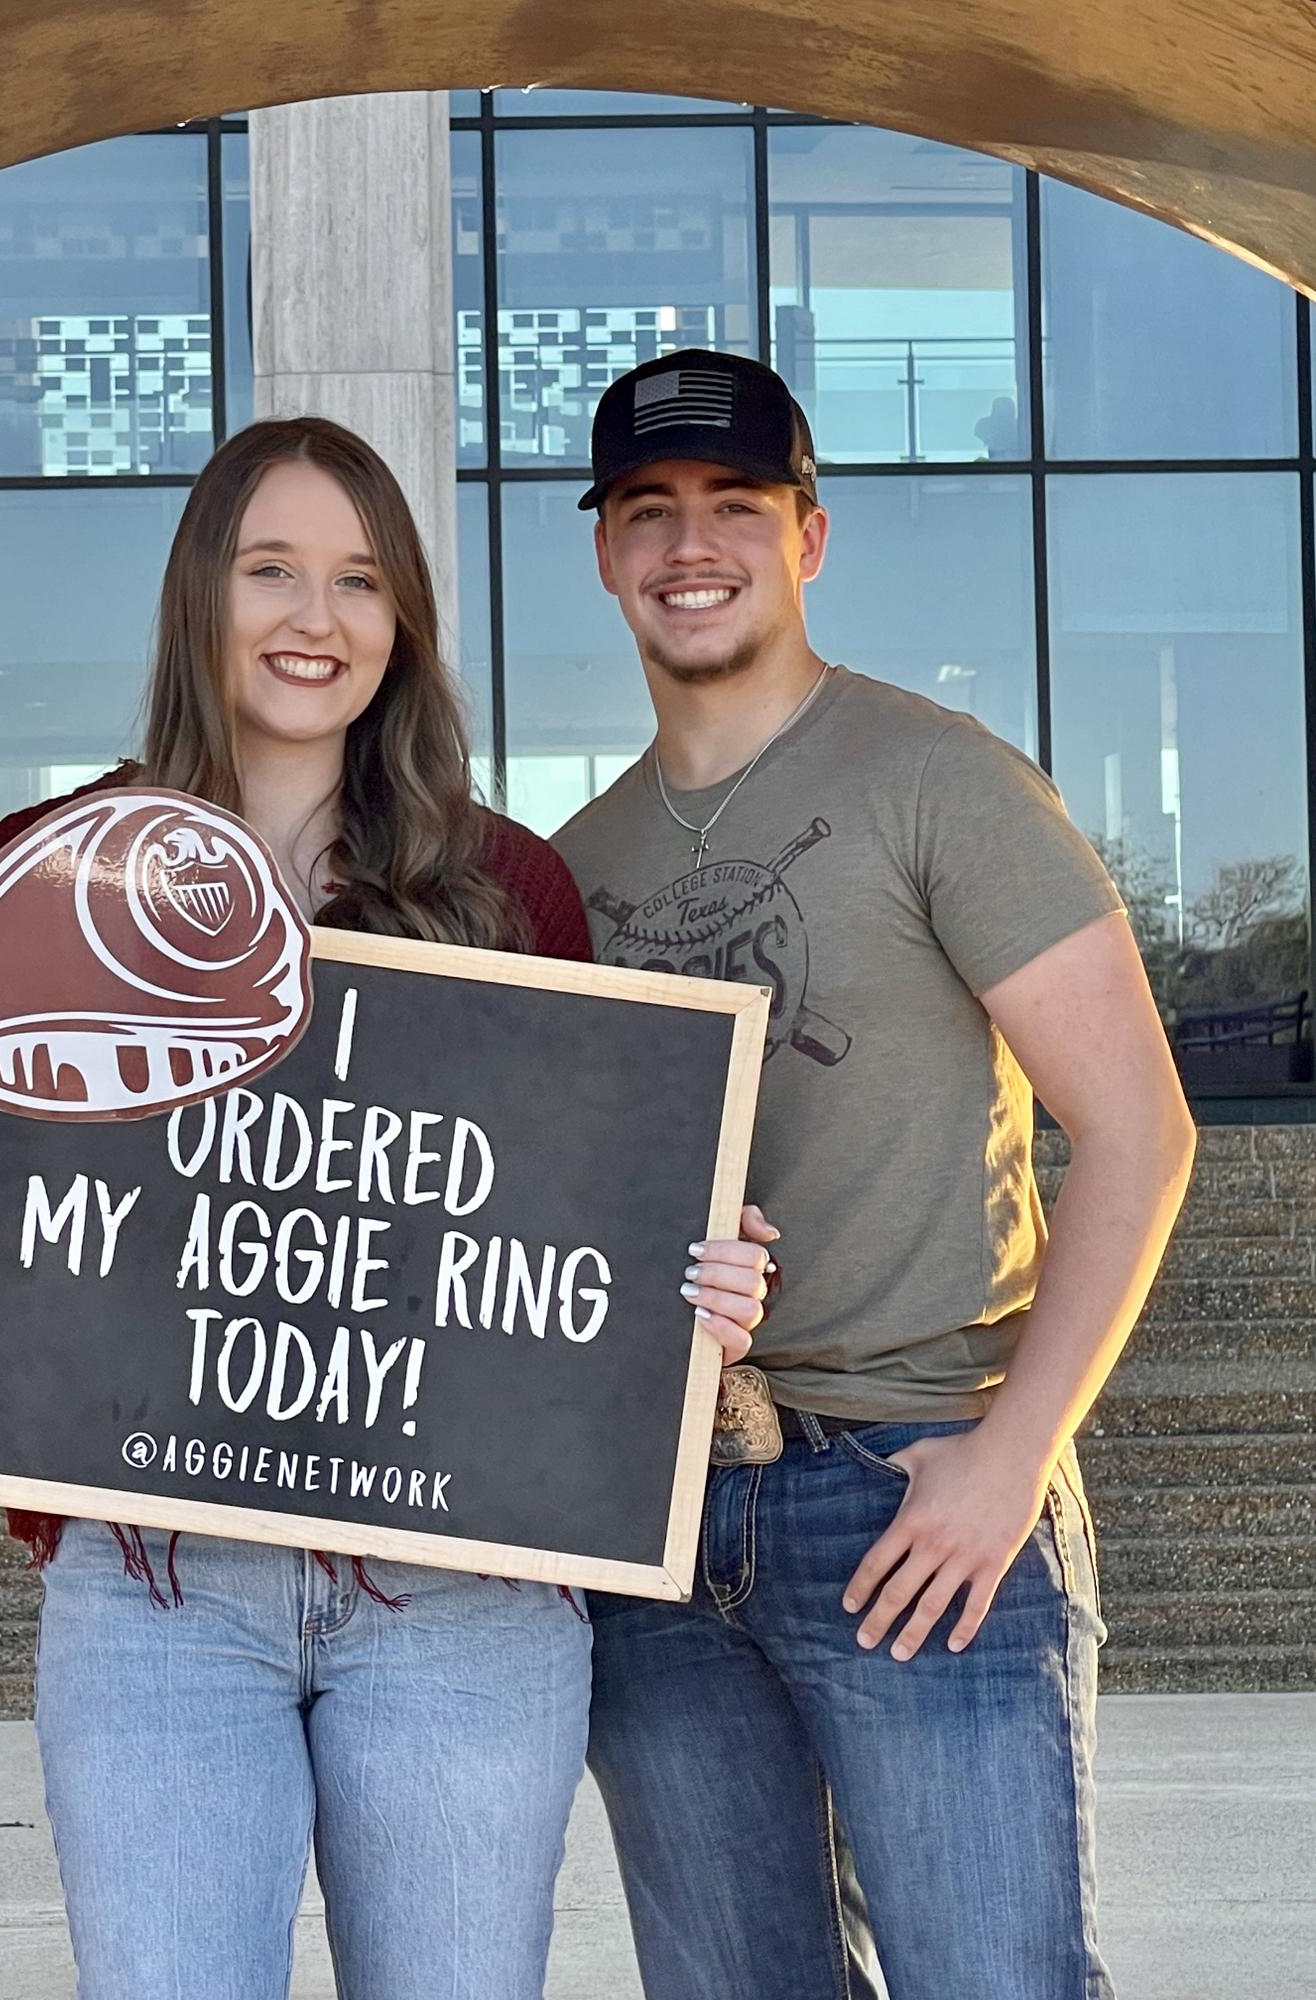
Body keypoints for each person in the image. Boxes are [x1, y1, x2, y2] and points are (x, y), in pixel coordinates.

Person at [0, 415, 771, 2000]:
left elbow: (566, 1250)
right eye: (272, 569)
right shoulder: (41, 879)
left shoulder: (506, 891)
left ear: (400, 621)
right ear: (201, 594)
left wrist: (682, 1296)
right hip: (160, 1586)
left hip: (460, 1600)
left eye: (358, 581)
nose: (314, 619)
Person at [551, 349, 1198, 2000]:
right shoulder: (573, 867)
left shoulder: (937, 777)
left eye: (736, 506)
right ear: (607, 551)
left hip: (916, 1486)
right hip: (665, 1522)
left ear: (810, 537)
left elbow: (1140, 1128)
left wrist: (1008, 1460)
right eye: (649, 510)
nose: (691, 544)